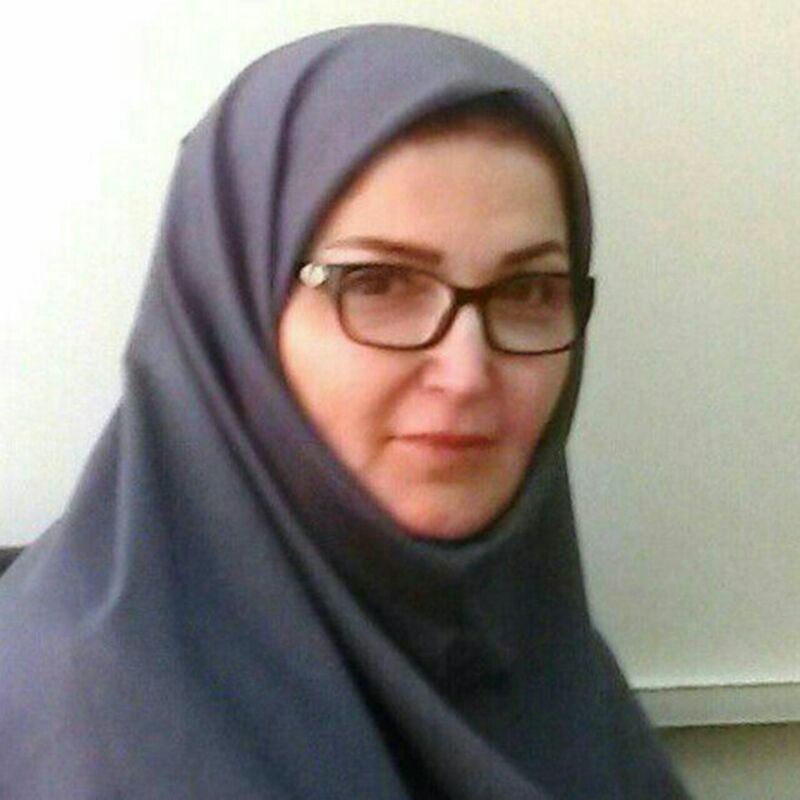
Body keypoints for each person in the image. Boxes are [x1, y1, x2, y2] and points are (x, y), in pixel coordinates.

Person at [0, 24, 690, 799]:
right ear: (232, 319)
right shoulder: (94, 729)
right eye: (379, 284)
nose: (466, 374)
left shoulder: (538, 650)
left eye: (529, 292)